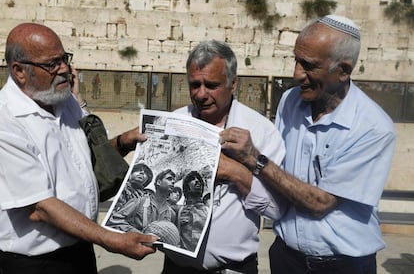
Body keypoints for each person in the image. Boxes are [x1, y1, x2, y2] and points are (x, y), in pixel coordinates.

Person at [219, 15, 396, 274]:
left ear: (343, 70)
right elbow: (276, 168)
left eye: (309, 66)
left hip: (342, 266)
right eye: (296, 60)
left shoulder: (372, 127)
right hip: (286, 258)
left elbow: (319, 203)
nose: (297, 74)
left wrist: (254, 158)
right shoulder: (290, 101)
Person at [0, 23, 157, 274]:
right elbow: (40, 207)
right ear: (19, 71)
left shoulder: (66, 101)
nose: (64, 69)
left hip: (81, 251)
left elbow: (83, 164)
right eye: (52, 64)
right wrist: (111, 239)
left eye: (64, 58)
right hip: (36, 265)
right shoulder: (6, 121)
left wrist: (120, 144)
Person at [162, 40, 286, 273]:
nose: (201, 94)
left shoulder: (260, 130)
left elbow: (277, 209)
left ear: (233, 83)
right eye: (194, 84)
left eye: (211, 85)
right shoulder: (175, 122)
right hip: (176, 267)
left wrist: (238, 173)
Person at [106, 169, 177, 232]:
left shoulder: (172, 214)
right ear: (159, 182)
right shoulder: (139, 201)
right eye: (169, 179)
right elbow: (114, 220)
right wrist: (138, 234)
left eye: (174, 180)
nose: (173, 182)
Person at [177, 171, 209, 251]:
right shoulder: (179, 212)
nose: (197, 181)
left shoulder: (209, 211)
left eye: (199, 179)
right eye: (192, 179)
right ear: (186, 187)